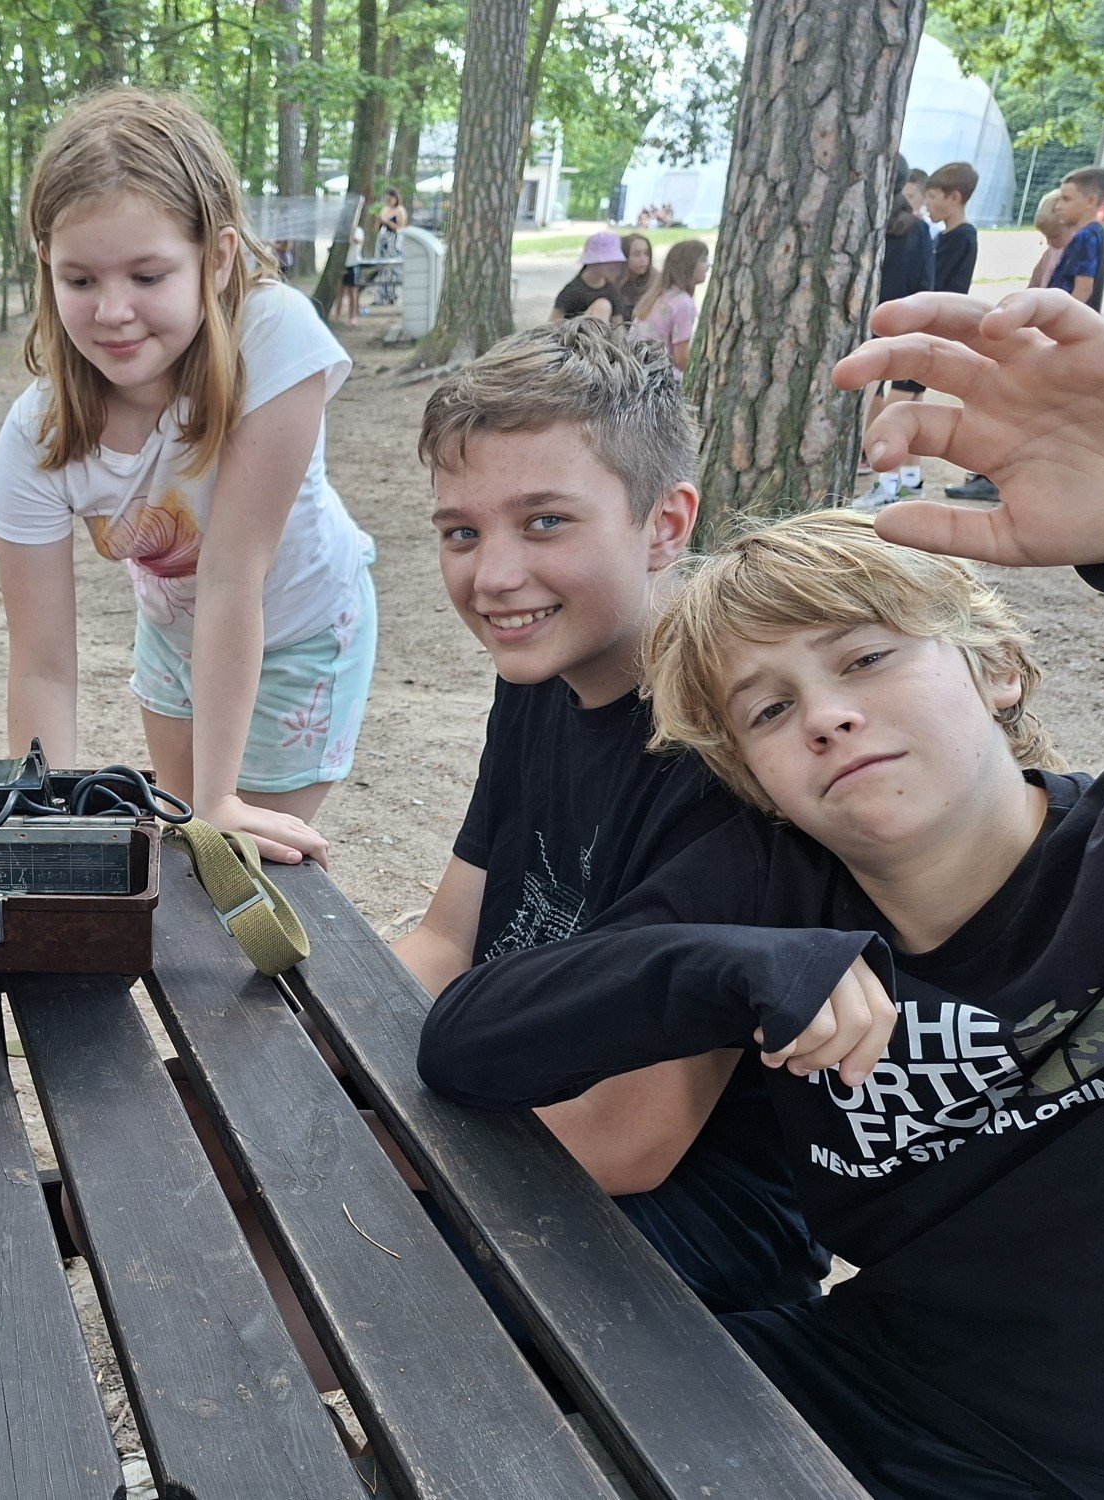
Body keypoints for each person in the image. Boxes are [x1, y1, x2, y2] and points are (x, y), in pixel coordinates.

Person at [417, 286, 1104, 1499]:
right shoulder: (774, 885)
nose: (826, 716)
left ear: (996, 669)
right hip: (871, 1383)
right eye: (765, 710)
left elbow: (628, 1138)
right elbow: (466, 1038)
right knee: (483, 1434)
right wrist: (724, 965)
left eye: (866, 660)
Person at [392, 318, 827, 1320]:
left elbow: (631, 1138)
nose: (493, 576)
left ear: (665, 524)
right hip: (516, 1093)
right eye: (461, 532)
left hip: (684, 1215)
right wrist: (323, 1065)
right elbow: (448, 936)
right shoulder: (541, 673)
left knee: (297, 1265)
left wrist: (358, 1139)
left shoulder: (733, 753)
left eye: (544, 521)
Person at [0, 87, 375, 867]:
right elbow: (42, 666)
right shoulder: (37, 434)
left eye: (147, 275)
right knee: (186, 850)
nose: (112, 311)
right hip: (172, 637)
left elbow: (235, 578)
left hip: (296, 631)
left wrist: (221, 800)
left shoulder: (275, 338)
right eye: (80, 280)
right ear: (46, 266)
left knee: (243, 862)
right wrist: (45, 821)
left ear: (218, 257)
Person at [859, 158, 934, 508]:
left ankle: (889, 485)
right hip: (907, 328)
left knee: (882, 407)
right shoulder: (918, 230)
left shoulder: (872, 225)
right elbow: (925, 285)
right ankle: (903, 481)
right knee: (902, 405)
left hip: (874, 330)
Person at [922, 164, 998, 504]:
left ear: (955, 198)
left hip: (942, 325)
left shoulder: (962, 236)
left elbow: (941, 286)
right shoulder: (943, 235)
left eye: (933, 197)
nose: (928, 204)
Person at [628, 237, 708, 372]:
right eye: (703, 260)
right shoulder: (683, 304)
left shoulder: (659, 296)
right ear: (689, 266)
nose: (709, 265)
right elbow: (682, 359)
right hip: (661, 377)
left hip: (638, 372)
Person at [1051, 165, 1104, 311]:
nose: (1058, 206)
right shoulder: (1096, 231)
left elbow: (1083, 289)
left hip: (1068, 321)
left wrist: (1060, 319)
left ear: (1091, 201)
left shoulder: (1087, 236)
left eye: (1066, 199)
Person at [549, 230, 634, 325]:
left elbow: (618, 326)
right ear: (592, 263)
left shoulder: (612, 291)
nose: (614, 266)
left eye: (615, 262)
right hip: (573, 333)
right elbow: (552, 325)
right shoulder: (572, 291)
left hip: (602, 333)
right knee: (602, 306)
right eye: (608, 261)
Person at [370, 188, 407, 307]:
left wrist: (388, 222)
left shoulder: (400, 210)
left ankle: (392, 295)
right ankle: (379, 296)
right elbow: (378, 227)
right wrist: (379, 221)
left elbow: (400, 228)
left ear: (395, 198)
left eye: (390, 199)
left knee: (392, 269)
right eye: (386, 200)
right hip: (382, 240)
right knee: (381, 268)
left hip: (393, 241)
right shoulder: (384, 209)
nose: (388, 202)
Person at [1028, 188, 1069, 290]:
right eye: (1046, 236)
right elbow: (1033, 286)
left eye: (1054, 237)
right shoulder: (1049, 254)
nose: (1049, 242)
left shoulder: (1075, 256)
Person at [617, 231, 654, 312]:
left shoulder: (655, 281)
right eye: (637, 254)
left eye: (646, 254)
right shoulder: (615, 282)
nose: (643, 259)